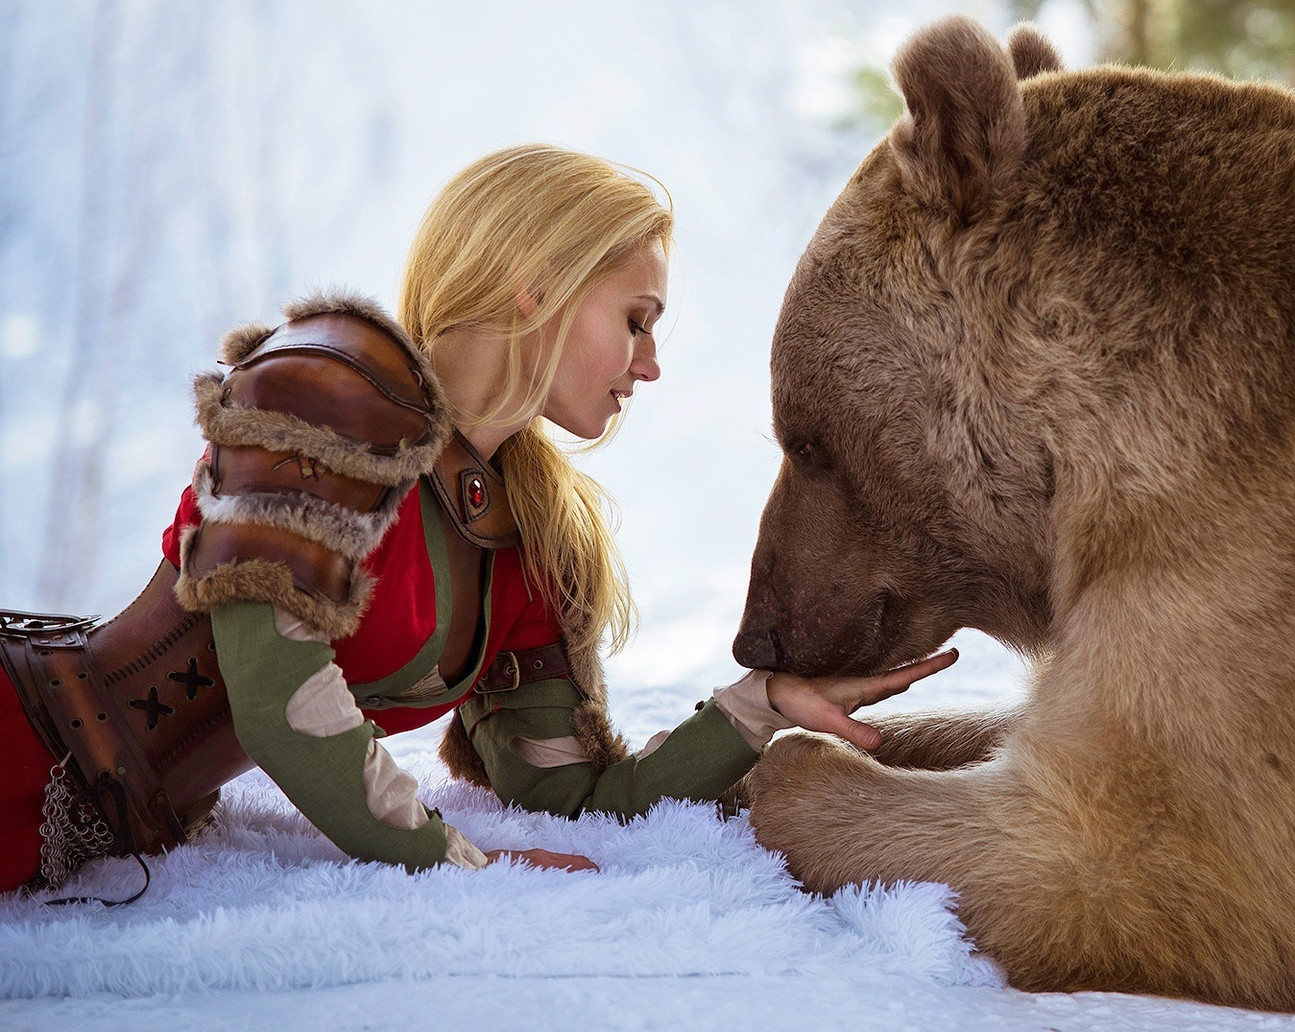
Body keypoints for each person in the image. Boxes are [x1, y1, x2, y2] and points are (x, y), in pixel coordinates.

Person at [0, 144, 955, 893]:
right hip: (25, 739)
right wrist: (455, 864)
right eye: (636, 317)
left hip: (109, 842)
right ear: (535, 285)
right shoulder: (321, 391)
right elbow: (276, 697)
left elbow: (570, 797)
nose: (651, 361)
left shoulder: (526, 533)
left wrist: (764, 704)